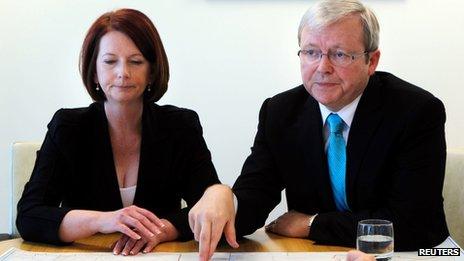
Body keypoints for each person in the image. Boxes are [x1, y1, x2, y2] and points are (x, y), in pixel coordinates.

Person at [189, 0, 449, 260]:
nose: (323, 67)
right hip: (316, 253)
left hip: (408, 253)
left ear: (372, 61)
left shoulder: (416, 112)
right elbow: (254, 199)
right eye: (311, 52)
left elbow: (412, 224)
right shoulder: (280, 112)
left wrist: (310, 224)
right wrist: (223, 198)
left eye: (340, 54)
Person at [16, 8, 221, 256]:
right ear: (94, 71)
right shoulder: (68, 127)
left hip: (157, 254)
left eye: (135, 61)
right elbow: (30, 215)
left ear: (152, 72)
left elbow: (209, 206)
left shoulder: (180, 126)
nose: (123, 73)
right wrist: (106, 220)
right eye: (110, 61)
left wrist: (162, 229)